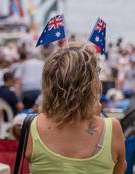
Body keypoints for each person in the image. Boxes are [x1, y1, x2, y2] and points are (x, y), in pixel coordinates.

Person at [24, 43, 126, 174]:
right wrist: (98, 117)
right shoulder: (112, 128)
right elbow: (119, 169)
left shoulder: (33, 126)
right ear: (90, 85)